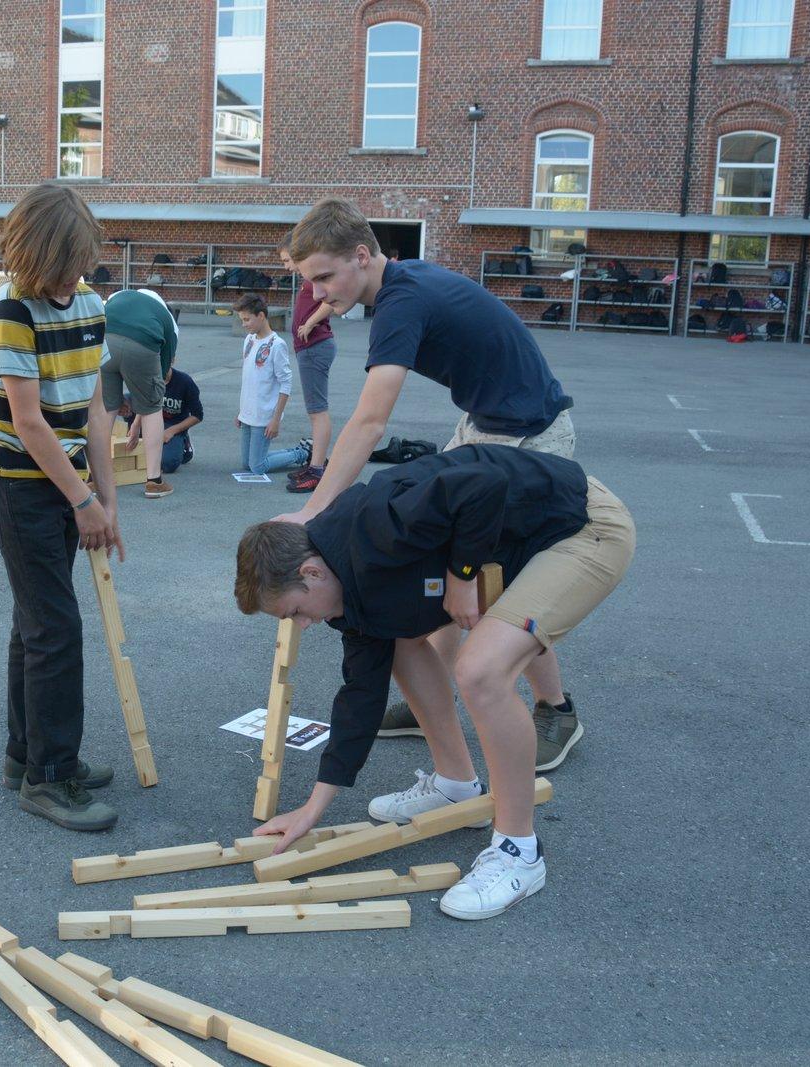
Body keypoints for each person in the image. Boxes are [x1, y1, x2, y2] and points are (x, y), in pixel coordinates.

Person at [236, 445, 634, 920]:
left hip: (581, 526)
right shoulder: (348, 595)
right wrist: (313, 808)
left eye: (296, 611)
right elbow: (360, 697)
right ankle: (456, 784)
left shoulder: (377, 524)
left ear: (311, 571)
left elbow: (482, 486)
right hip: (525, 532)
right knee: (402, 643)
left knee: (480, 671)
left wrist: (462, 575)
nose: (302, 625)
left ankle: (519, 852)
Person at [277, 198, 584, 770]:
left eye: (324, 277)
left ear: (361, 256)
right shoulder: (400, 282)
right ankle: (432, 704)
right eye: (308, 282)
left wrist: (314, 510)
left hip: (531, 435)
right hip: (485, 424)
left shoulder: (402, 302)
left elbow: (371, 420)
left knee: (499, 586)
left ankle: (556, 709)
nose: (316, 293)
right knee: (445, 565)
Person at [0, 183, 123, 834]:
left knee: (37, 622)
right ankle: (49, 775)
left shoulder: (90, 304)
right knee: (55, 629)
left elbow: (94, 407)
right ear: (34, 254)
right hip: (18, 483)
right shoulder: (12, 312)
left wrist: (106, 496)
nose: (72, 277)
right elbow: (29, 422)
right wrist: (81, 499)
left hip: (66, 482)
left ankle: (25, 755)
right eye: (63, 265)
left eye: (79, 263)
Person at [101, 286, 178, 497]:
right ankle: (154, 480)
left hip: (104, 341)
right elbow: (161, 375)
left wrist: (118, 400)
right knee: (153, 408)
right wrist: (141, 412)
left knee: (105, 409)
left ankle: (94, 478)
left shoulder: (119, 297)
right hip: (141, 344)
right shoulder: (167, 320)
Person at [279, 237, 336, 494]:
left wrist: (311, 322)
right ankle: (316, 463)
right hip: (309, 349)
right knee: (315, 411)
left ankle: (317, 470)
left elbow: (330, 300)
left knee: (317, 411)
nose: (286, 266)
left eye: (287, 260)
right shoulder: (307, 279)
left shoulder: (314, 277)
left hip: (315, 347)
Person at [233, 293, 311, 479]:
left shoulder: (277, 345)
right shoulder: (249, 340)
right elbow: (250, 380)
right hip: (249, 413)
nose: (244, 324)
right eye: (242, 320)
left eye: (247, 319)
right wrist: (242, 412)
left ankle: (303, 453)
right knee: (247, 463)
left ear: (261, 316)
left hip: (264, 415)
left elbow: (286, 383)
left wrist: (275, 419)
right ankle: (297, 450)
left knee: (257, 467)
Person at [124, 357, 201, 476]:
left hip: (171, 425)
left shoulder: (185, 382)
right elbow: (142, 402)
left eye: (162, 362)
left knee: (167, 464)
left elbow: (198, 415)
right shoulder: (148, 378)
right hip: (148, 418)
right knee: (123, 401)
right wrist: (136, 425)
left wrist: (172, 431)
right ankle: (137, 436)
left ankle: (184, 442)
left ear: (172, 360)